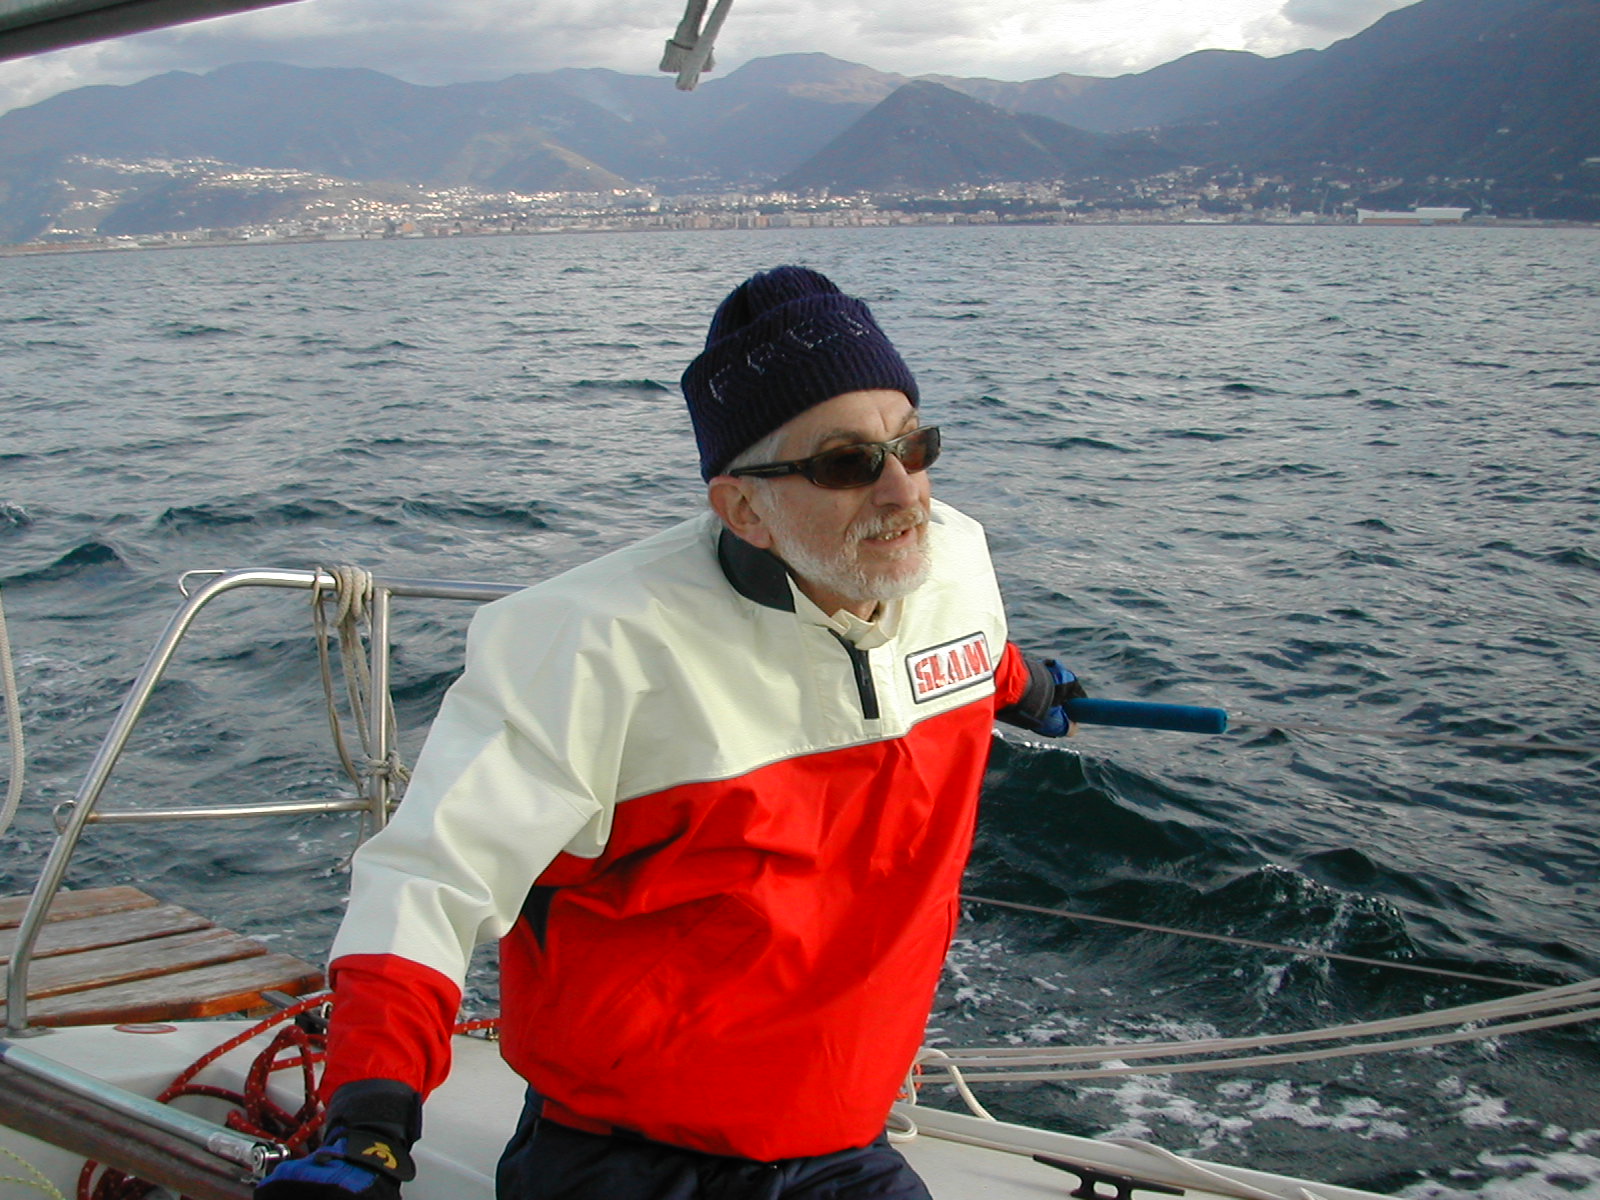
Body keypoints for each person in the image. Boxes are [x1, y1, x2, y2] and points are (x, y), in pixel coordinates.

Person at [256, 266, 1084, 1200]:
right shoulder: (587, 646)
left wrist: (1027, 688)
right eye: (848, 464)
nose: (903, 492)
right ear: (743, 508)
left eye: (914, 445)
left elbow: (971, 647)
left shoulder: (951, 559)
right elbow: (429, 882)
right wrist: (369, 1123)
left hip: (839, 1141)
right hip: (627, 1153)